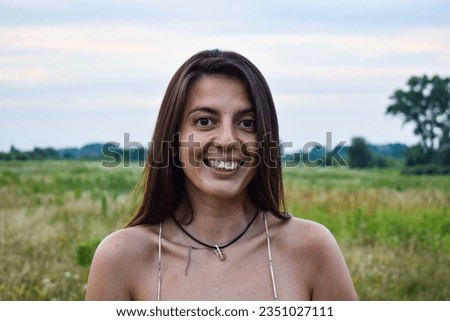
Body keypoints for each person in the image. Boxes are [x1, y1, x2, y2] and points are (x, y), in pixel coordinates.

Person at [85, 49, 358, 301]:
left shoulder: (311, 249)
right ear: (173, 137)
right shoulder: (121, 258)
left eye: (247, 123)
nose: (228, 140)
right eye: (205, 121)